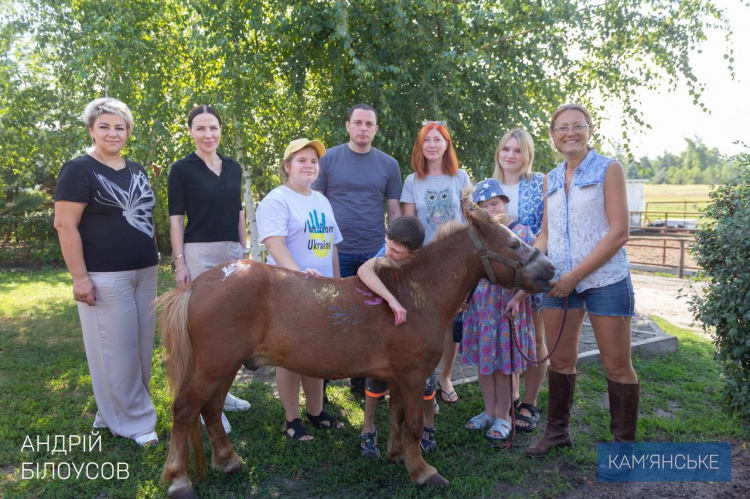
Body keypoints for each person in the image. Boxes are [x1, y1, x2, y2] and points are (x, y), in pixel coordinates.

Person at [528, 103, 639, 456]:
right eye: (562, 127)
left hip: (605, 280)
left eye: (577, 126)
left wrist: (575, 276)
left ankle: (623, 448)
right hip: (557, 283)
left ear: (590, 130)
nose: (570, 133)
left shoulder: (609, 169)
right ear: (553, 135)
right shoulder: (550, 177)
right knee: (560, 362)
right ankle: (557, 433)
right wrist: (532, 264)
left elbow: (619, 232)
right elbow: (546, 234)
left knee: (616, 365)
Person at [54, 97, 159, 446]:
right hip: (105, 274)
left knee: (141, 348)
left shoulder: (138, 168)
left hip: (145, 271)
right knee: (115, 349)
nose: (113, 133)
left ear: (128, 131)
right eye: (105, 126)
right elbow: (65, 225)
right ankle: (134, 421)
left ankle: (114, 408)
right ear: (91, 130)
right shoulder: (78, 169)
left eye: (120, 126)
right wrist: (80, 278)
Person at [167, 105, 250, 434]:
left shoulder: (233, 167)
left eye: (213, 128)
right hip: (198, 252)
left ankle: (223, 393)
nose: (208, 134)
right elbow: (176, 218)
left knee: (232, 326)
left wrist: (244, 252)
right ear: (190, 132)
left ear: (220, 130)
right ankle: (202, 401)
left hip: (232, 251)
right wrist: (179, 261)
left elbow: (240, 211)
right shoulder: (181, 170)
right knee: (202, 330)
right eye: (200, 128)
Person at [256, 138, 345, 441]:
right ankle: (293, 419)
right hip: (288, 291)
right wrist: (299, 277)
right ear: (287, 166)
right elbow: (274, 244)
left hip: (321, 290)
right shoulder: (277, 199)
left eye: (313, 161)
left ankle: (316, 411)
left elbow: (331, 246)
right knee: (291, 356)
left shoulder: (321, 200)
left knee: (316, 351)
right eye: (302, 160)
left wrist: (335, 284)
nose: (309, 165)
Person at [312, 103, 402, 395]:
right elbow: (314, 202)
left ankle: (361, 378)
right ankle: (322, 377)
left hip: (375, 252)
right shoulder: (328, 160)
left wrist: (399, 248)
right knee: (330, 313)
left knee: (372, 316)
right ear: (348, 126)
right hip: (334, 252)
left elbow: (394, 210)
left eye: (369, 124)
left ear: (376, 130)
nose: (363, 128)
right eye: (358, 122)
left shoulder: (389, 164)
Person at [459, 180, 537, 441]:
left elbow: (534, 273)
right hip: (481, 313)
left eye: (495, 202)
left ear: (504, 202)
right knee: (485, 366)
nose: (491, 208)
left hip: (506, 313)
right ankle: (489, 411)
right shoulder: (476, 236)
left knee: (503, 368)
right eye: (484, 205)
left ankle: (504, 415)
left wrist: (518, 298)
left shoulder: (521, 233)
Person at [355, 216, 439, 457]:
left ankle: (428, 427)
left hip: (417, 336)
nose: (389, 253)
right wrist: (391, 299)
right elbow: (364, 269)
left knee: (425, 383)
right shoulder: (386, 252)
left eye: (397, 251)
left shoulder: (425, 264)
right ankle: (368, 428)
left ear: (413, 252)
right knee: (375, 382)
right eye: (388, 246)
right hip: (388, 335)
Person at [401, 120, 471, 404]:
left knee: (451, 323)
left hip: (456, 264)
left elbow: (470, 219)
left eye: (437, 139)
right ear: (421, 145)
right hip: (425, 264)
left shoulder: (460, 178)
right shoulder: (412, 181)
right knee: (424, 324)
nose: (432, 144)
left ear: (446, 144)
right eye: (426, 140)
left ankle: (445, 377)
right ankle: (425, 382)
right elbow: (408, 226)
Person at [492, 129, 546, 433]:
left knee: (535, 338)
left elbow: (544, 231)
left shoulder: (537, 185)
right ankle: (506, 398)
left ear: (527, 155)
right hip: (498, 282)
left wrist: (527, 276)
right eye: (505, 149)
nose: (510, 155)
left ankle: (530, 401)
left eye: (517, 150)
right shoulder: (490, 187)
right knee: (505, 340)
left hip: (530, 276)